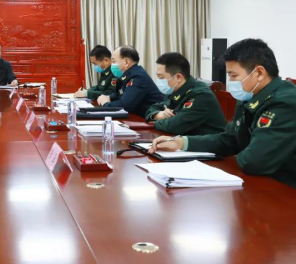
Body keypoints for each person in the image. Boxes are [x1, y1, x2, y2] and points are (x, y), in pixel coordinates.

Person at [150, 39, 296, 188]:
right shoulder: (249, 96)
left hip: (285, 190)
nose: (230, 82)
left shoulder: (285, 103)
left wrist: (239, 152)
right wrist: (180, 142)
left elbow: (254, 161)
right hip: (261, 183)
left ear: (259, 73)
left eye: (233, 75)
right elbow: (229, 140)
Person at [145, 52, 226, 135]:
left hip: (205, 142)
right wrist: (158, 115)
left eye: (161, 77)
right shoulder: (174, 89)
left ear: (178, 77)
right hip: (182, 137)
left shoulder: (201, 95)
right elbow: (153, 108)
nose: (159, 81)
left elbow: (175, 126)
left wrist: (154, 122)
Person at [96, 46, 163, 117]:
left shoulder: (138, 77)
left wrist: (105, 104)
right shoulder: (129, 74)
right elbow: (121, 94)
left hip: (151, 118)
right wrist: (108, 97)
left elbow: (125, 106)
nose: (112, 65)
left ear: (126, 62)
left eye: (114, 61)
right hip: (139, 116)